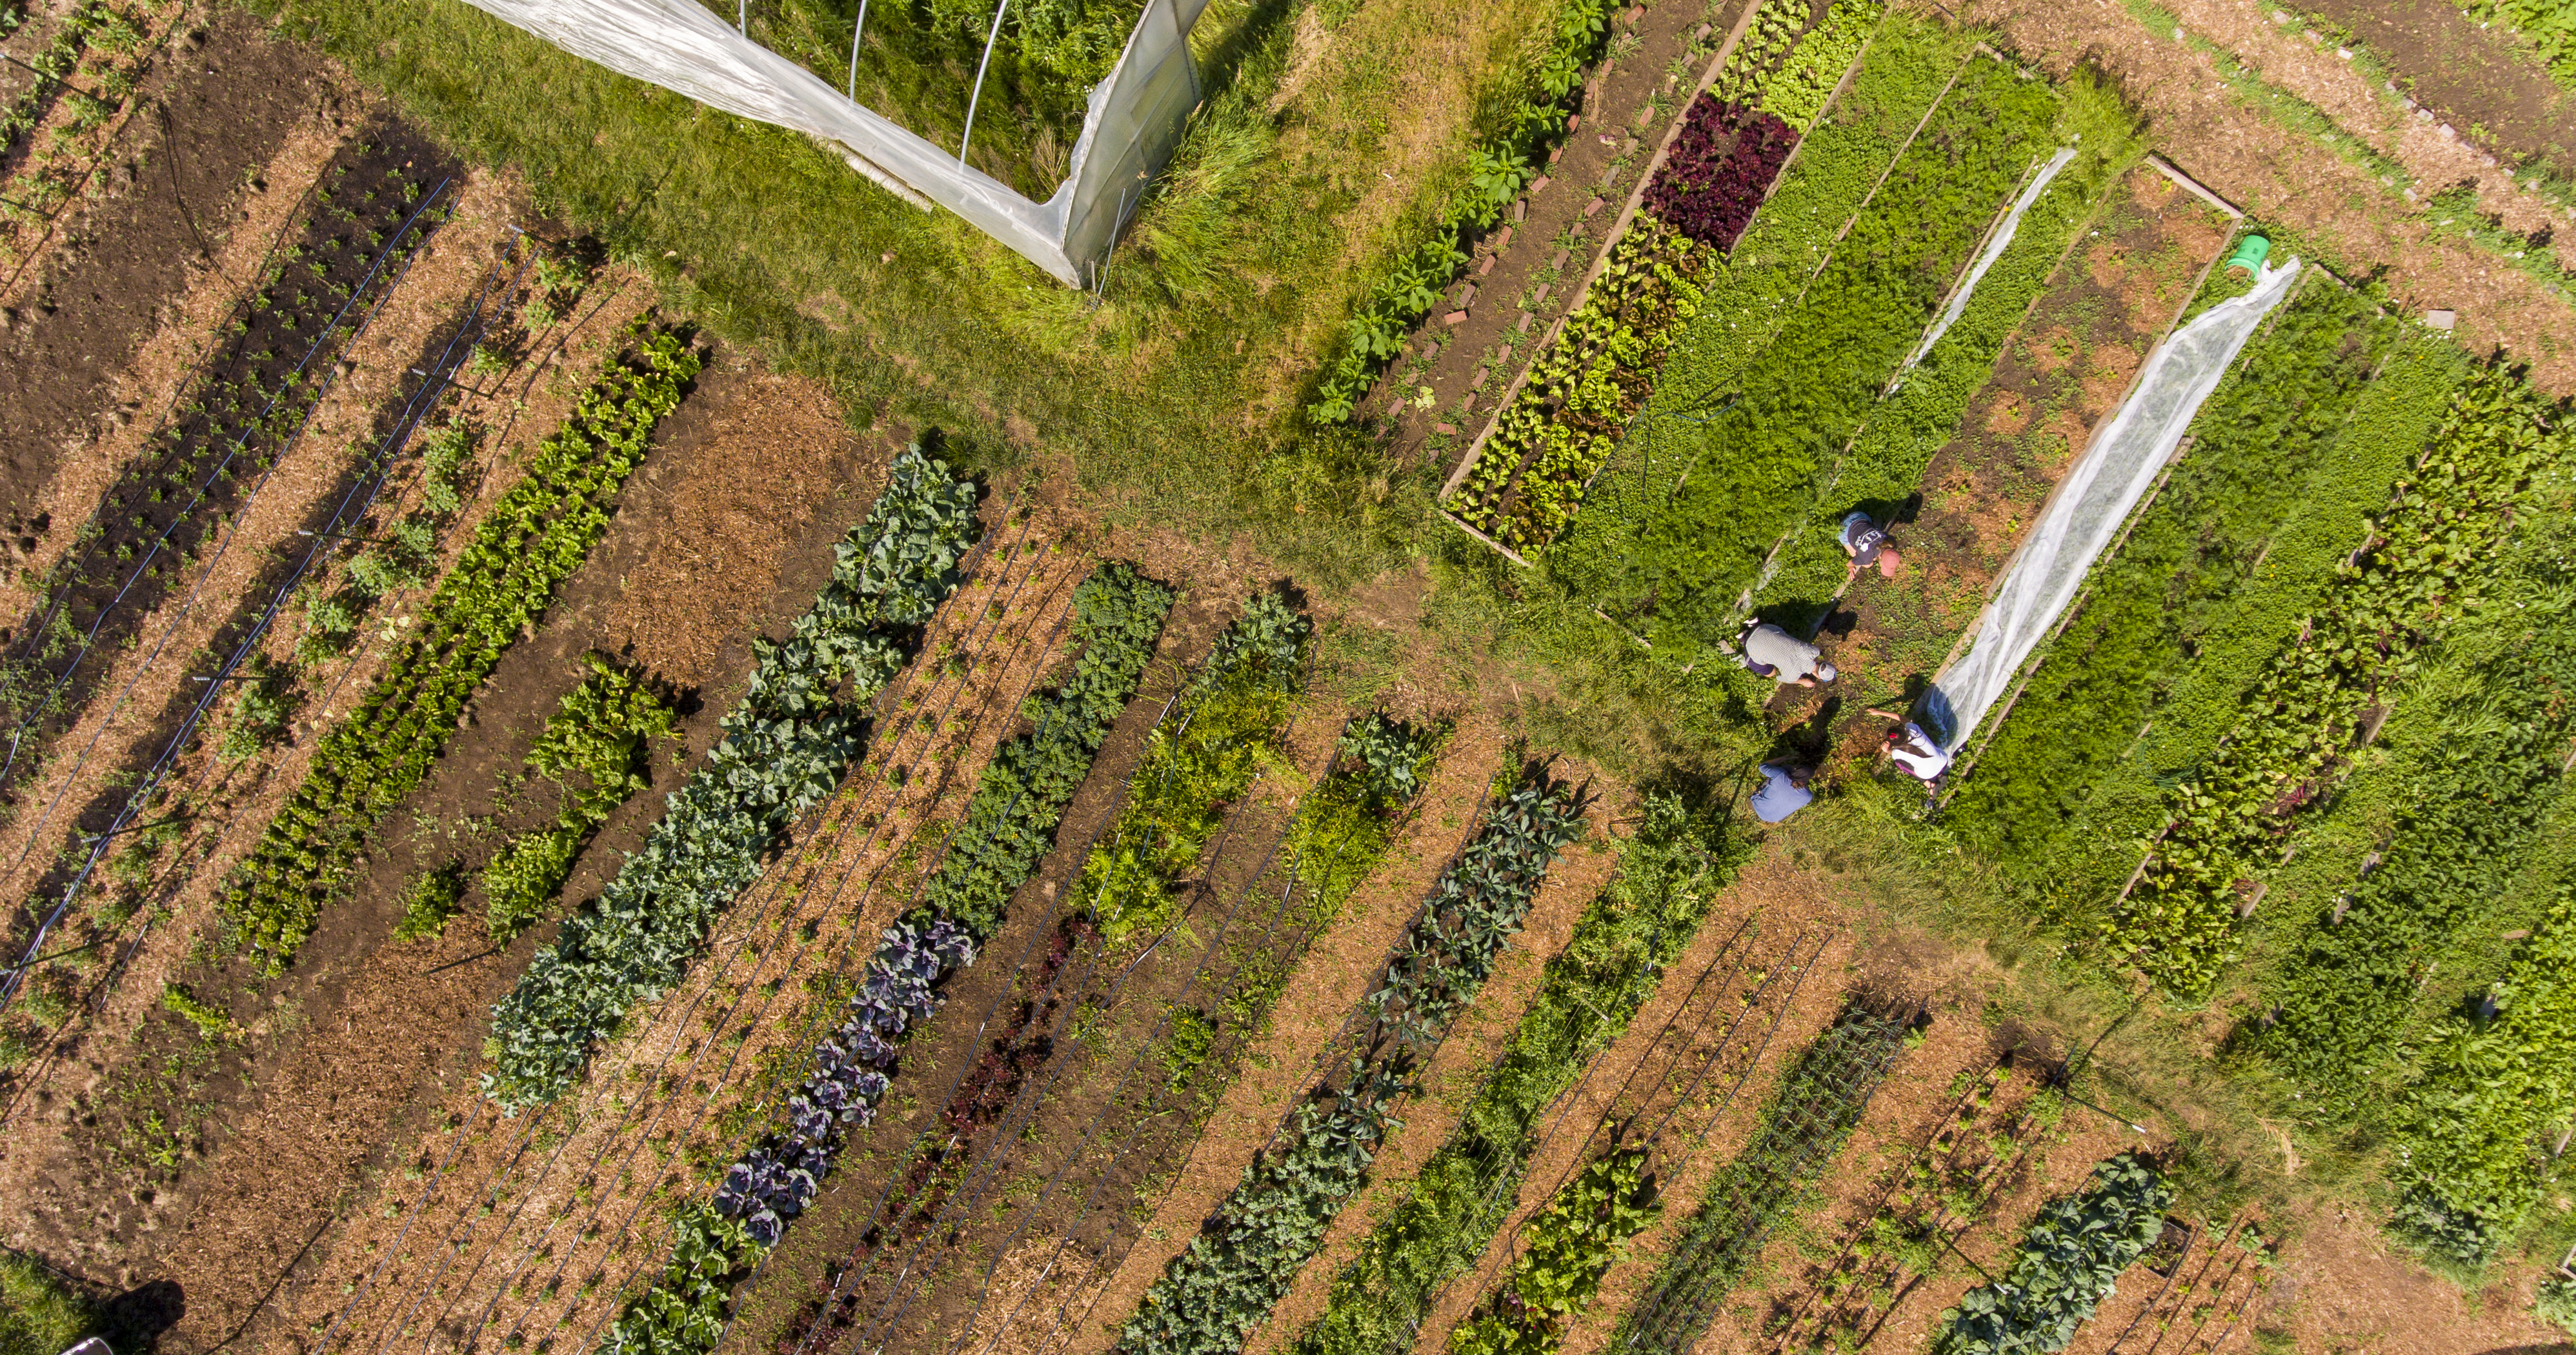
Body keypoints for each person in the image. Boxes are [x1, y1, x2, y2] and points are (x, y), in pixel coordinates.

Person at [1740, 621, 1835, 687]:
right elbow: (1779, 678)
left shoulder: (1814, 651)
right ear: (1818, 676)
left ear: (1824, 662)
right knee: (1772, 673)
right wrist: (1802, 681)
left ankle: (1754, 625)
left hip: (1764, 629)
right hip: (1752, 647)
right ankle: (1744, 640)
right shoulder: (1792, 676)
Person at [1869, 708, 1952, 783]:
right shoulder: (1914, 731)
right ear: (1903, 730)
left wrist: (1886, 749)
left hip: (1928, 774)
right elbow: (1902, 718)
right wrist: (1879, 712)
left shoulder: (1897, 752)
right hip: (1943, 760)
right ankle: (1940, 775)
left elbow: (1890, 751)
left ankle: (1929, 784)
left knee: (1899, 763)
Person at [1840, 512, 1904, 581]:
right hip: (1844, 529)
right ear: (1880, 558)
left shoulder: (1885, 538)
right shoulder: (1867, 559)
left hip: (1859, 516)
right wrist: (1851, 567)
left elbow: (1874, 546)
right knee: (1868, 565)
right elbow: (1849, 564)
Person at [1751, 762, 1815, 823]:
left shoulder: (1781, 775)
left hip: (1756, 806)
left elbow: (1762, 767)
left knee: (1787, 768)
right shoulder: (1808, 797)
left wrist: (1784, 758)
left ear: (1795, 770)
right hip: (1772, 819)